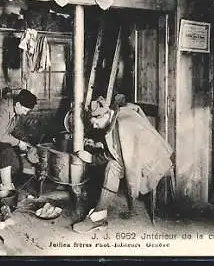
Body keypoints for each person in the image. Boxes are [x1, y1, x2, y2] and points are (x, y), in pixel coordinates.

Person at [72, 95, 174, 233]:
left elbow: (116, 156)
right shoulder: (119, 114)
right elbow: (118, 146)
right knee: (113, 165)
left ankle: (98, 216)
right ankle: (99, 214)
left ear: (104, 115)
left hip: (152, 163)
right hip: (153, 153)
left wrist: (91, 158)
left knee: (112, 167)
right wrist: (100, 145)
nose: (95, 128)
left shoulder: (122, 126)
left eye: (95, 123)